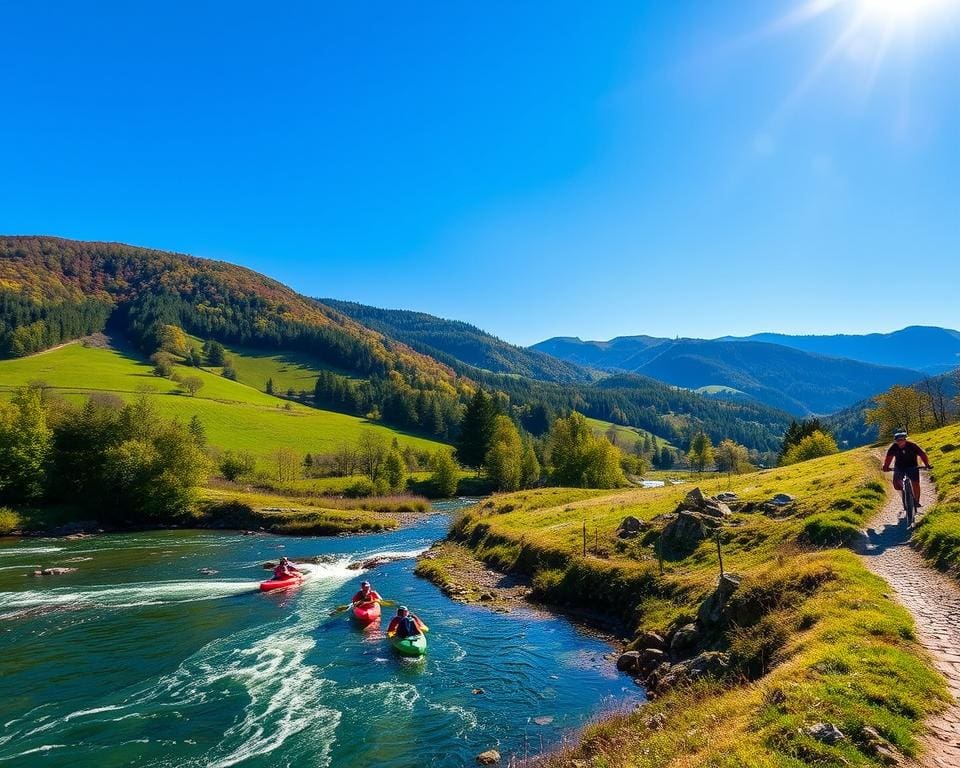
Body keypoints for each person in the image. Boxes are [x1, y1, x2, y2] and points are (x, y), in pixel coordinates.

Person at [881, 430, 932, 510]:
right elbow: (888, 458)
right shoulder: (893, 447)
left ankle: (916, 501)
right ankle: (904, 496)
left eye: (901, 440)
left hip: (912, 466)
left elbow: (922, 454)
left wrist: (927, 464)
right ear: (896, 441)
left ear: (905, 439)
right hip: (899, 467)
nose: (900, 442)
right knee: (896, 484)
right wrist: (886, 467)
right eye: (898, 440)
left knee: (915, 483)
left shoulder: (912, 446)